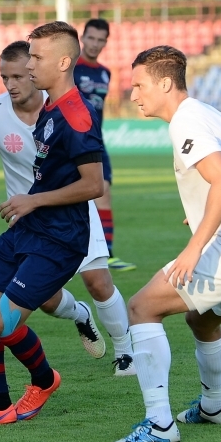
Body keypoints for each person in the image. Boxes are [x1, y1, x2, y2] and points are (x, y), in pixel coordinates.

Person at [113, 46, 221, 442]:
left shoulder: (185, 122)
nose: (133, 94)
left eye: (139, 85)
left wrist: (194, 248)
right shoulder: (211, 113)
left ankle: (159, 425)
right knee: (202, 320)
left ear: (165, 83)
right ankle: (213, 406)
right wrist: (206, 209)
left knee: (141, 307)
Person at [0, 22, 105, 426]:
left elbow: (93, 184)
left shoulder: (76, 115)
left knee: (4, 320)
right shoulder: (51, 108)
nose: (30, 66)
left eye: (35, 58)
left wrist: (32, 199)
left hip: (60, 238)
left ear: (63, 61)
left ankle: (45, 380)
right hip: (28, 227)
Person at [0, 40, 135, 376]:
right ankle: (79, 314)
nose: (11, 84)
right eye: (4, 77)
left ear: (35, 73)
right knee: (46, 299)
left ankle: (125, 352)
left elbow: (90, 179)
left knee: (97, 280)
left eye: (19, 75)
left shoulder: (63, 112)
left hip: (70, 213)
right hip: (26, 223)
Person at [74, 18, 136, 272]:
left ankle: (107, 255)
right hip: (73, 143)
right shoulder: (70, 69)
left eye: (101, 40)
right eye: (91, 38)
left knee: (104, 194)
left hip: (96, 143)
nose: (95, 44)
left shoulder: (104, 72)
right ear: (82, 37)